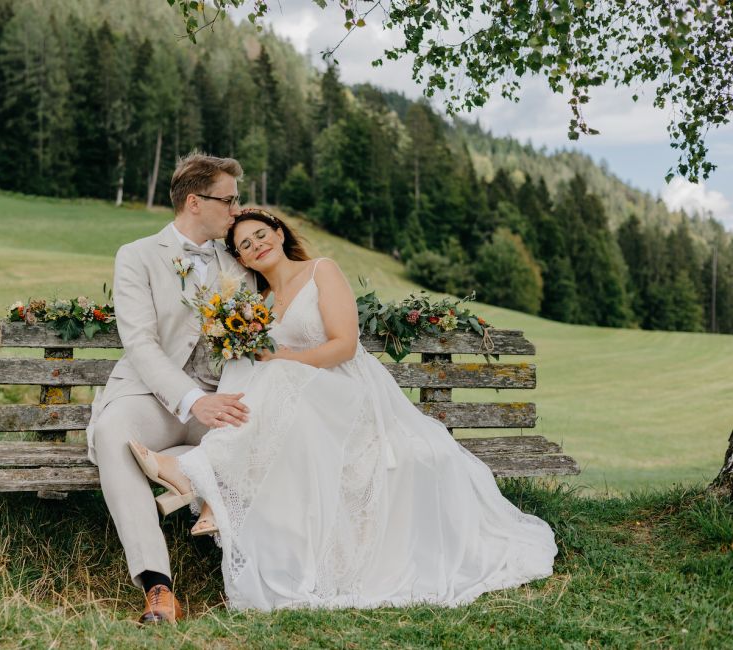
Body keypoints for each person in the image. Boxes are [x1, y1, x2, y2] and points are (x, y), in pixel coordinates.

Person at [128, 208, 558, 611]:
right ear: (241, 259)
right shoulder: (256, 304)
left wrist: (279, 360)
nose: (256, 245)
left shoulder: (321, 271)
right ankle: (214, 493)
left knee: (275, 373)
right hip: (302, 401)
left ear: (279, 234)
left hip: (348, 390)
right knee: (249, 367)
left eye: (261, 234)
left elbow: (344, 345)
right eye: (244, 245)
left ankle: (202, 482)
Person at [86, 152, 256, 624]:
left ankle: (256, 572)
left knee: (265, 434)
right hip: (153, 399)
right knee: (113, 434)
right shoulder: (137, 256)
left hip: (221, 399)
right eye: (230, 200)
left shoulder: (241, 262)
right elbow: (140, 344)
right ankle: (158, 587)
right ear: (196, 202)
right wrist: (192, 400)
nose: (238, 210)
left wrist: (217, 400)